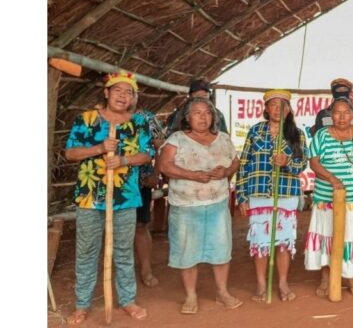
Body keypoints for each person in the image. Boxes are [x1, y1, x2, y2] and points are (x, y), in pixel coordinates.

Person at [64, 71, 153, 324]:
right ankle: (82, 304)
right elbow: (71, 153)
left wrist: (123, 159)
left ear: (133, 98)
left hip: (125, 198)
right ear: (106, 93)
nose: (123, 96)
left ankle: (127, 301)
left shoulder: (138, 123)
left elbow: (146, 155)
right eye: (118, 91)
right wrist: (99, 149)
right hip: (90, 197)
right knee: (87, 251)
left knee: (123, 250)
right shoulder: (87, 119)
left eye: (128, 92)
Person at [158, 97, 242, 315]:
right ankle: (191, 295)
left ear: (213, 116)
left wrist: (226, 172)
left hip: (217, 204)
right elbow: (164, 166)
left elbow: (235, 161)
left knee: (221, 250)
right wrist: (191, 175)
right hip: (186, 206)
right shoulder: (177, 139)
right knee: (188, 251)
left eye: (207, 112)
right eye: (197, 113)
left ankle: (222, 292)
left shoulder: (223, 138)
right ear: (187, 117)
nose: (203, 117)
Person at [237, 90, 308, 303]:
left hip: (286, 194)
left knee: (284, 242)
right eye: (274, 105)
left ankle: (283, 282)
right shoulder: (256, 131)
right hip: (258, 193)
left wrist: (287, 162)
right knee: (261, 241)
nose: (278, 109)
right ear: (266, 108)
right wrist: (242, 195)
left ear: (289, 109)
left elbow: (302, 164)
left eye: (283, 105)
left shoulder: (297, 133)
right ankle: (261, 284)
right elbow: (244, 163)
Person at [305, 96, 353, 297]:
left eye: (346, 113)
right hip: (327, 200)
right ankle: (326, 278)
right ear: (330, 115)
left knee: (351, 238)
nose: (342, 117)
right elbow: (314, 164)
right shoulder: (321, 136)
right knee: (328, 237)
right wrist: (332, 178)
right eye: (337, 112)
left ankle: (352, 277)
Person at [132, 103, 165, 289]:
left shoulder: (147, 118)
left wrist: (155, 174)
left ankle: (146, 270)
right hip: (110, 181)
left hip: (140, 180)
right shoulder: (101, 116)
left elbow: (160, 146)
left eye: (130, 92)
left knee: (140, 225)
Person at [311, 78, 353, 144]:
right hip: (328, 155)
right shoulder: (323, 114)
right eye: (338, 89)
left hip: (352, 155)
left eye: (344, 89)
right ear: (333, 92)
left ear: (349, 92)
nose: (341, 92)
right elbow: (316, 134)